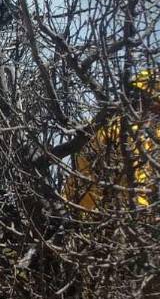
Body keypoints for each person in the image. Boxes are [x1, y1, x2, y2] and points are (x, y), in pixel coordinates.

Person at [65, 69, 159, 211]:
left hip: (83, 211)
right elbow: (136, 191)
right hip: (95, 216)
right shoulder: (125, 134)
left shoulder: (117, 126)